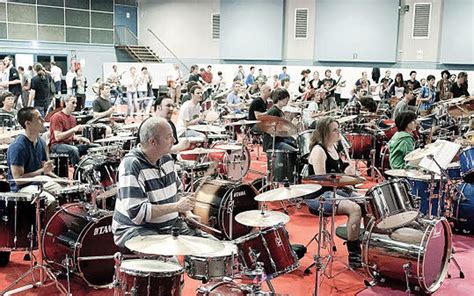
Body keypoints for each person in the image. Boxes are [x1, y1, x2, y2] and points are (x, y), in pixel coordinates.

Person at [111, 117, 207, 248]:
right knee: (170, 263)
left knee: (210, 247)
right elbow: (138, 214)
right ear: (153, 142)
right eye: (168, 137)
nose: (174, 141)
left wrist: (188, 213)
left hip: (169, 225)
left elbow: (177, 191)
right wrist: (176, 207)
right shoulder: (131, 165)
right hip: (135, 230)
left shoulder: (166, 158)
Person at [304, 117, 362, 268]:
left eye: (338, 129)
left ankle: (369, 244)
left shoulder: (333, 147)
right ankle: (354, 254)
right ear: (325, 132)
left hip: (334, 190)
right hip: (319, 195)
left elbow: (337, 171)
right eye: (334, 130)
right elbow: (322, 180)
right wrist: (345, 180)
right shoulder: (319, 150)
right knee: (354, 209)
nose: (338, 133)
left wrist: (347, 170)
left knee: (366, 201)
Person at [49, 95, 95, 166]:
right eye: (73, 103)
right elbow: (58, 137)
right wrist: (73, 129)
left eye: (76, 103)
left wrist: (80, 138)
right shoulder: (57, 117)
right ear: (66, 103)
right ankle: (77, 172)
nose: (75, 105)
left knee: (94, 146)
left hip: (68, 144)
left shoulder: (73, 118)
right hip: (57, 145)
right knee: (74, 150)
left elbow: (71, 137)